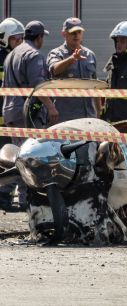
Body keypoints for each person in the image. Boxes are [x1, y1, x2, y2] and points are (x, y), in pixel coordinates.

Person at [2, 20, 58, 209]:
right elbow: (37, 86)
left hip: (10, 111)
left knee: (17, 156)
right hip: (27, 115)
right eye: (43, 37)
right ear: (39, 37)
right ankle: (29, 201)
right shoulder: (33, 55)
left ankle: (18, 198)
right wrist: (51, 107)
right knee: (31, 157)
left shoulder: (12, 54)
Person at [47, 17, 101, 122]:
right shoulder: (56, 53)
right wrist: (71, 59)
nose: (76, 35)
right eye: (73, 32)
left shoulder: (90, 55)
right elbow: (54, 70)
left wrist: (98, 112)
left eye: (79, 32)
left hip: (88, 117)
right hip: (66, 119)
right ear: (64, 34)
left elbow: (96, 86)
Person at [0, 17, 24, 210]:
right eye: (15, 39)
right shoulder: (4, 59)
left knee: (8, 158)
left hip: (7, 119)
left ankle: (5, 198)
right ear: (5, 38)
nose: (19, 43)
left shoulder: (13, 58)